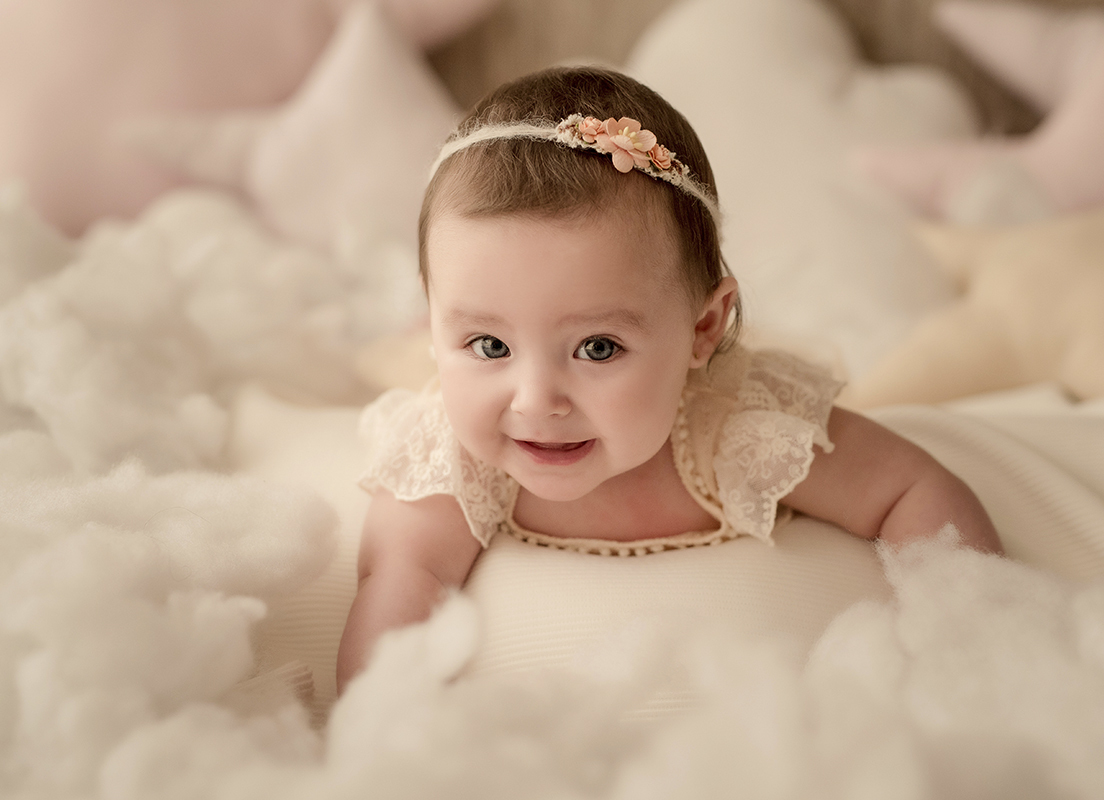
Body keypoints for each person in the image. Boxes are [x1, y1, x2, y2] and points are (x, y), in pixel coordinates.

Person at [335, 66, 1002, 693]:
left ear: (705, 328)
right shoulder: (451, 463)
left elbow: (912, 489)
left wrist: (967, 645)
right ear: (433, 321)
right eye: (488, 344)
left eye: (597, 348)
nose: (537, 401)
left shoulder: (735, 429)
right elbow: (400, 586)